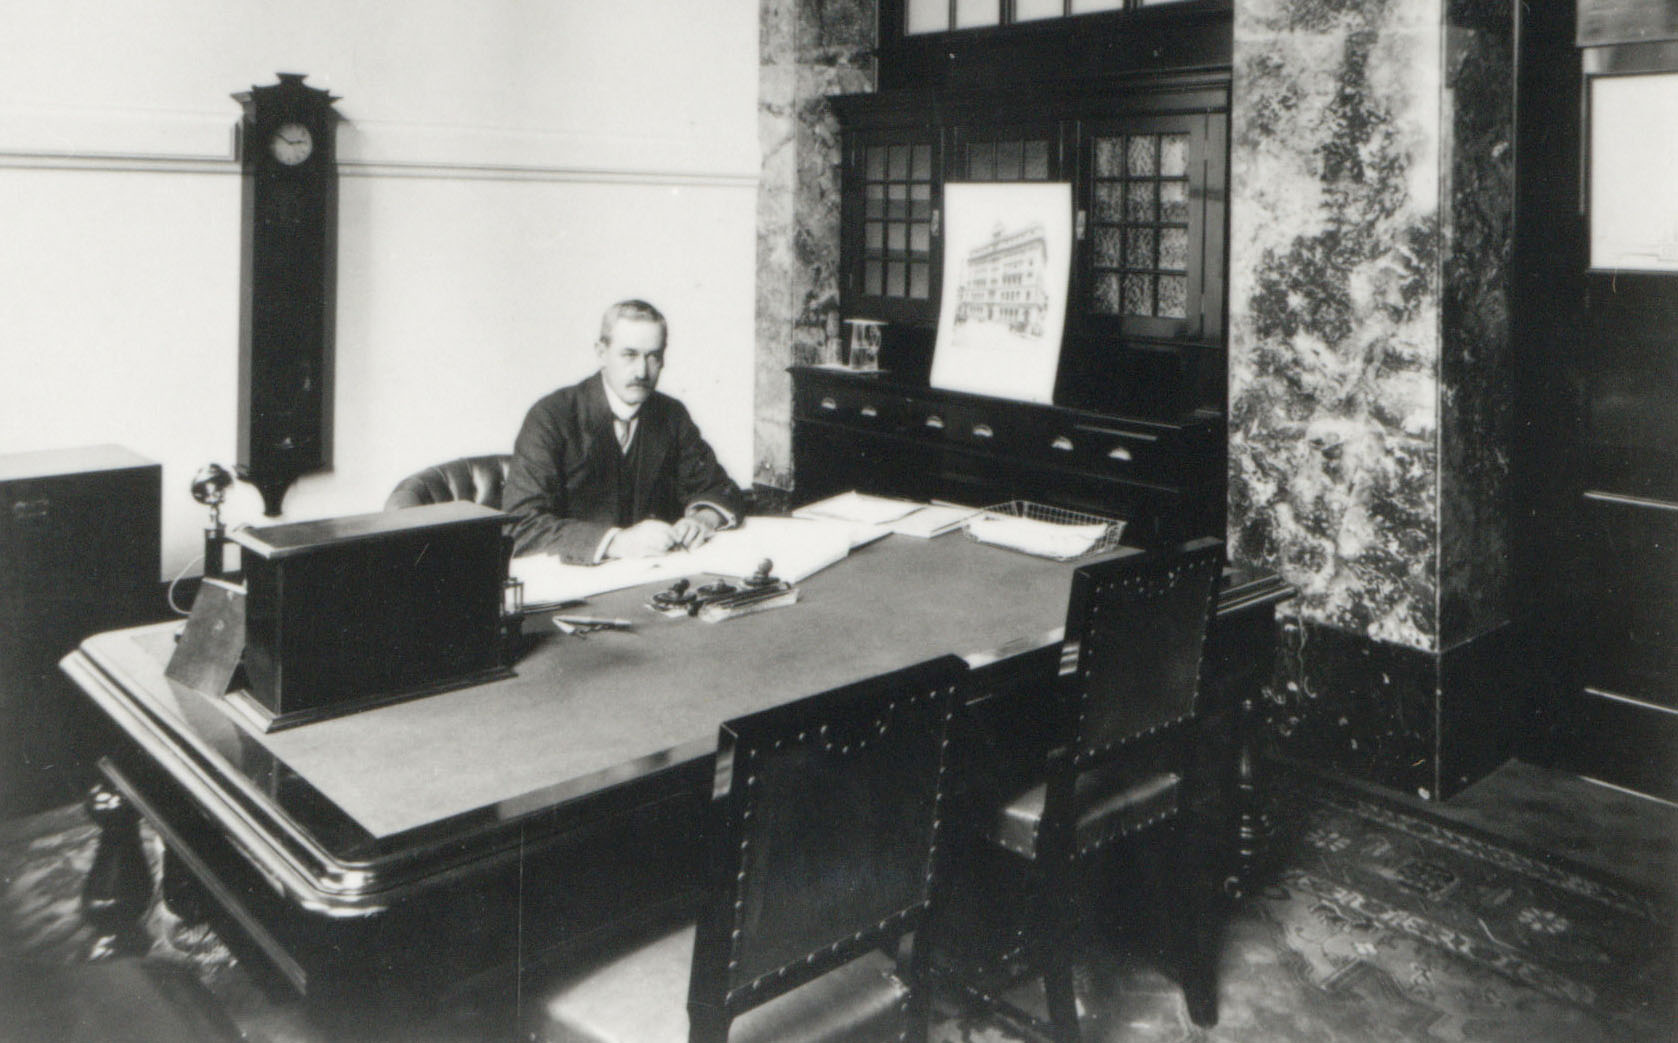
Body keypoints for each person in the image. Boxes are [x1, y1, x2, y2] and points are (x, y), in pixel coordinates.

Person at [504, 299, 743, 564]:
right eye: (629, 354)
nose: (641, 371)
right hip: (580, 584)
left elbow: (720, 488)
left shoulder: (671, 414)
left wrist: (702, 519)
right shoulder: (551, 416)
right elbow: (520, 526)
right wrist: (616, 542)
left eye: (653, 356)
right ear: (601, 352)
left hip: (657, 577)